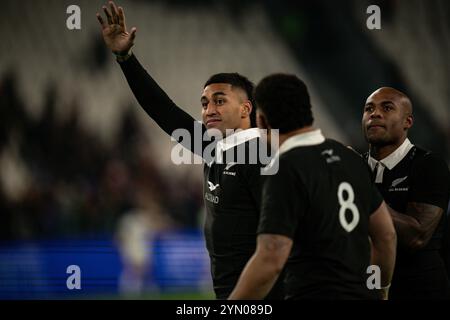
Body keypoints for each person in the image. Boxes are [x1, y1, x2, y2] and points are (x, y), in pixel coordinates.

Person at [96, 1, 283, 299]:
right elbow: (163, 110)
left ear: (246, 108)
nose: (209, 109)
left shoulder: (264, 156)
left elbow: (280, 244)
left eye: (220, 100)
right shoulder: (214, 147)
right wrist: (125, 57)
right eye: (205, 103)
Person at [229, 74, 397, 300]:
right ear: (308, 110)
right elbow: (386, 236)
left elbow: (271, 257)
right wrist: (380, 288)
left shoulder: (284, 168)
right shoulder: (351, 158)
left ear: (262, 122)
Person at [361, 87, 450, 299]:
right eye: (369, 109)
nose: (375, 113)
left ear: (407, 122)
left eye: (387, 107)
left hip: (419, 289)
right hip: (366, 287)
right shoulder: (354, 165)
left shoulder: (429, 165)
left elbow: (416, 236)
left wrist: (359, 186)